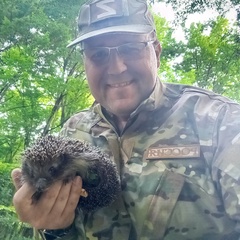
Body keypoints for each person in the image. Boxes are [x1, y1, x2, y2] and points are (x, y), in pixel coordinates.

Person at [11, 0, 240, 239]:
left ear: (157, 53)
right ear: (85, 64)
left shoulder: (219, 122)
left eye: (131, 48)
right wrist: (53, 229)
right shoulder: (72, 132)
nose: (117, 68)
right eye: (99, 54)